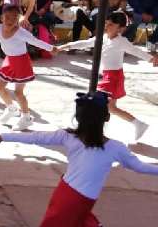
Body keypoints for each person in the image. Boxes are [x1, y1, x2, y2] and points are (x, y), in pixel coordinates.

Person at [0, 91, 158, 227]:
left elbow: (35, 137)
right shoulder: (115, 147)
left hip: (67, 195)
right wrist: (0, 137)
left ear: (78, 117)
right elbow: (140, 167)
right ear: (107, 117)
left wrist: (1, 136)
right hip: (76, 203)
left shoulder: (68, 136)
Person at [61, 11, 158, 139]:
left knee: (96, 103)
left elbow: (136, 51)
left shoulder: (122, 41)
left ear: (121, 28)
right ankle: (138, 124)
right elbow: (86, 43)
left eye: (111, 24)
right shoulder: (103, 38)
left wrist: (151, 59)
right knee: (111, 108)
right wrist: (65, 46)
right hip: (109, 77)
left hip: (114, 78)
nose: (107, 26)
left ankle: (89, 130)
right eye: (107, 23)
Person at [0, 5, 58, 131]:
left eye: (14, 18)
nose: (10, 20)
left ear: (18, 19)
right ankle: (11, 109)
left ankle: (26, 117)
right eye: (7, 17)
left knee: (18, 93)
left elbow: (36, 42)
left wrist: (51, 48)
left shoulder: (21, 32)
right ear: (2, 17)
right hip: (9, 60)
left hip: (22, 62)